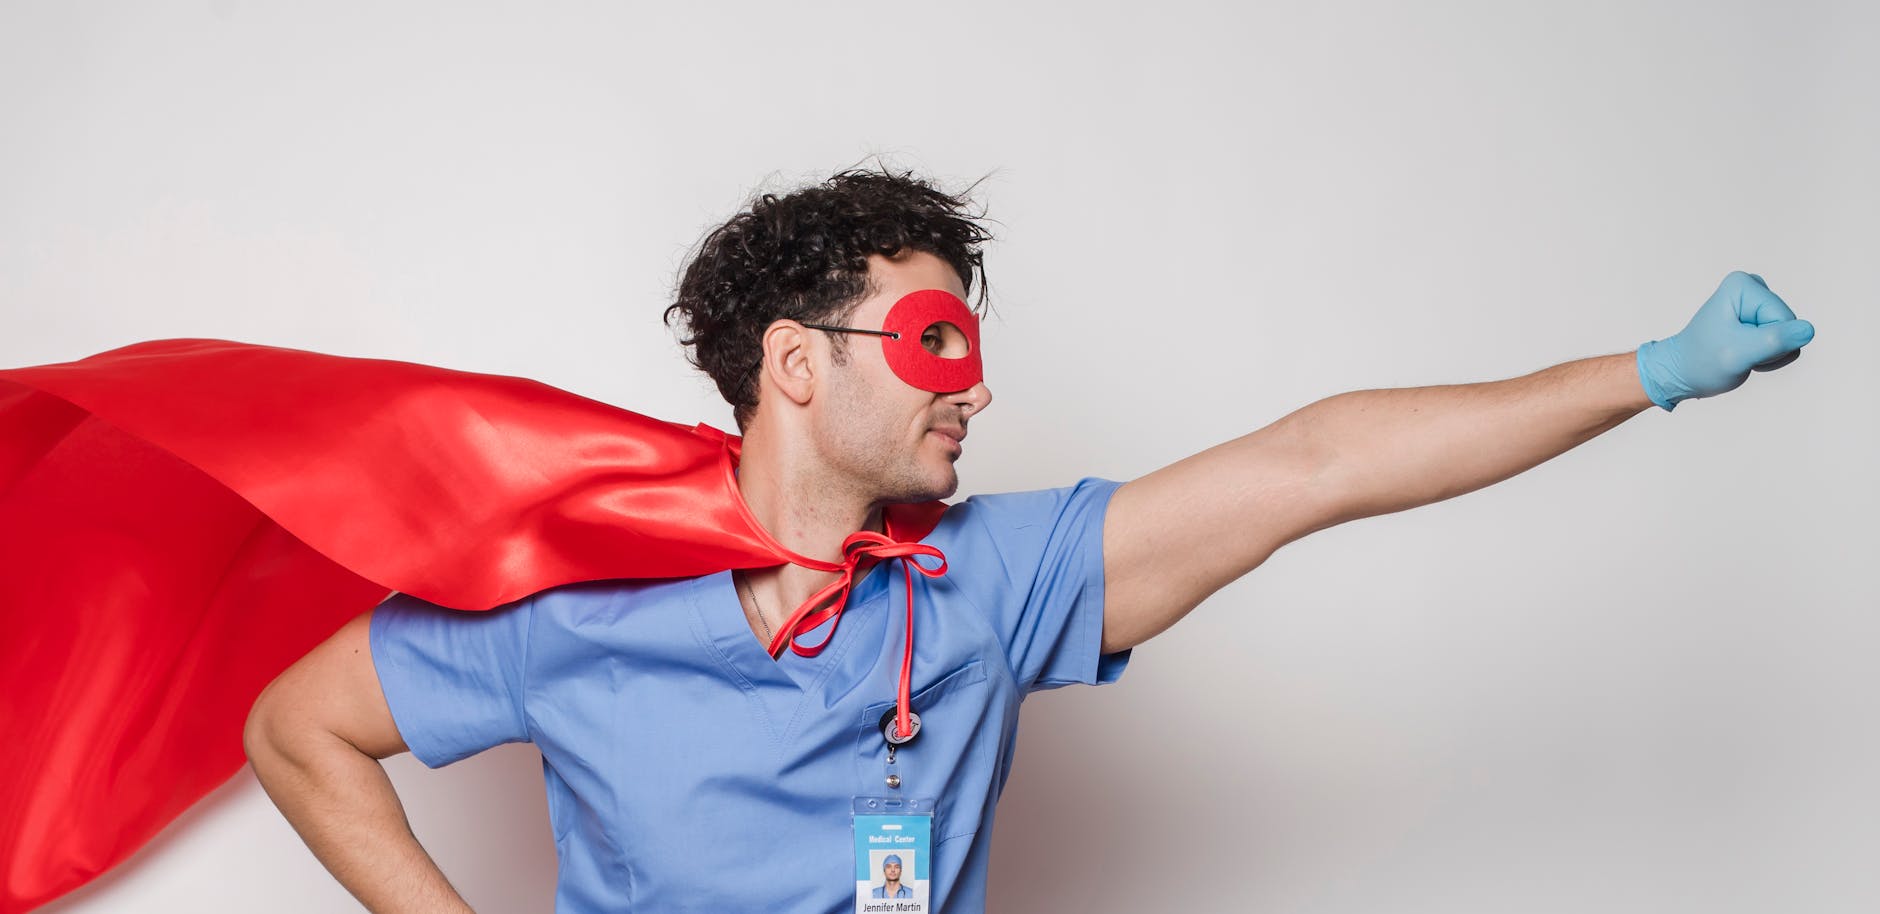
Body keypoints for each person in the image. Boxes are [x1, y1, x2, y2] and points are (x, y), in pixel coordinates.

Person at [240, 167, 1816, 913]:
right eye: (932, 342)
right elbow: (299, 727)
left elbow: (1317, 460)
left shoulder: (995, 579)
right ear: (797, 362)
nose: (978, 386)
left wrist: (1651, 373)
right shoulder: (570, 601)